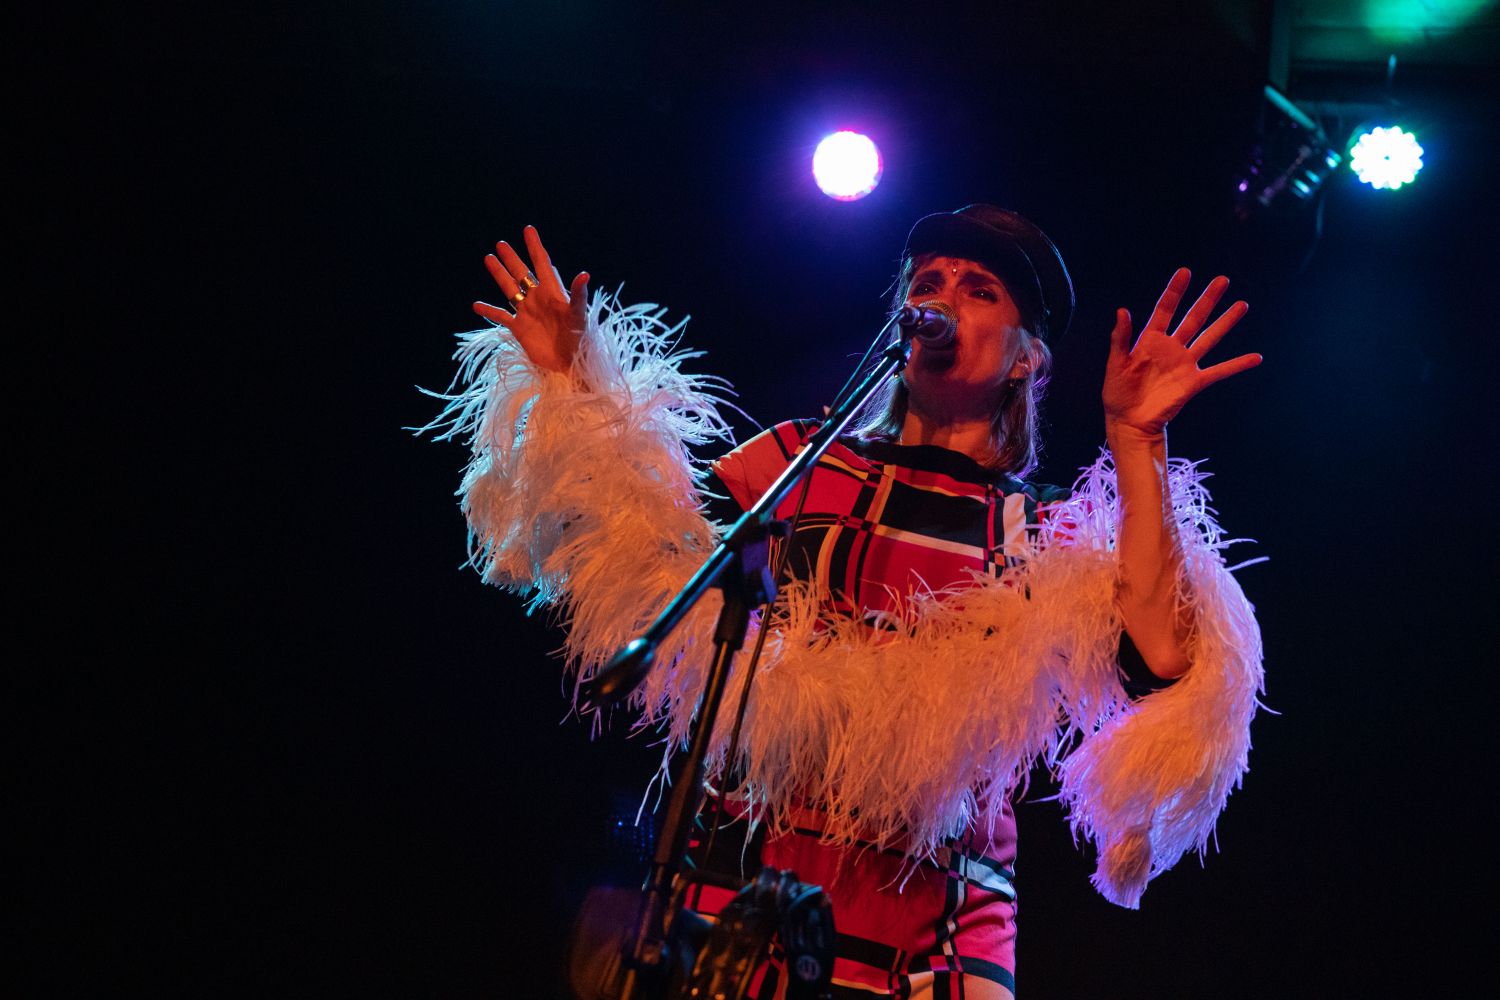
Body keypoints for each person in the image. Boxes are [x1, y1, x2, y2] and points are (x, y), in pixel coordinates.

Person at [426, 207, 1265, 998]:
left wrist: (1136, 437)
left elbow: (1161, 647)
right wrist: (574, 383)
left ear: (1025, 357)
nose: (940, 298)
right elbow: (645, 563)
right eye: (927, 281)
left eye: (980, 290)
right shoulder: (794, 463)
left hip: (935, 918)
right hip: (743, 887)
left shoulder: (1044, 527)